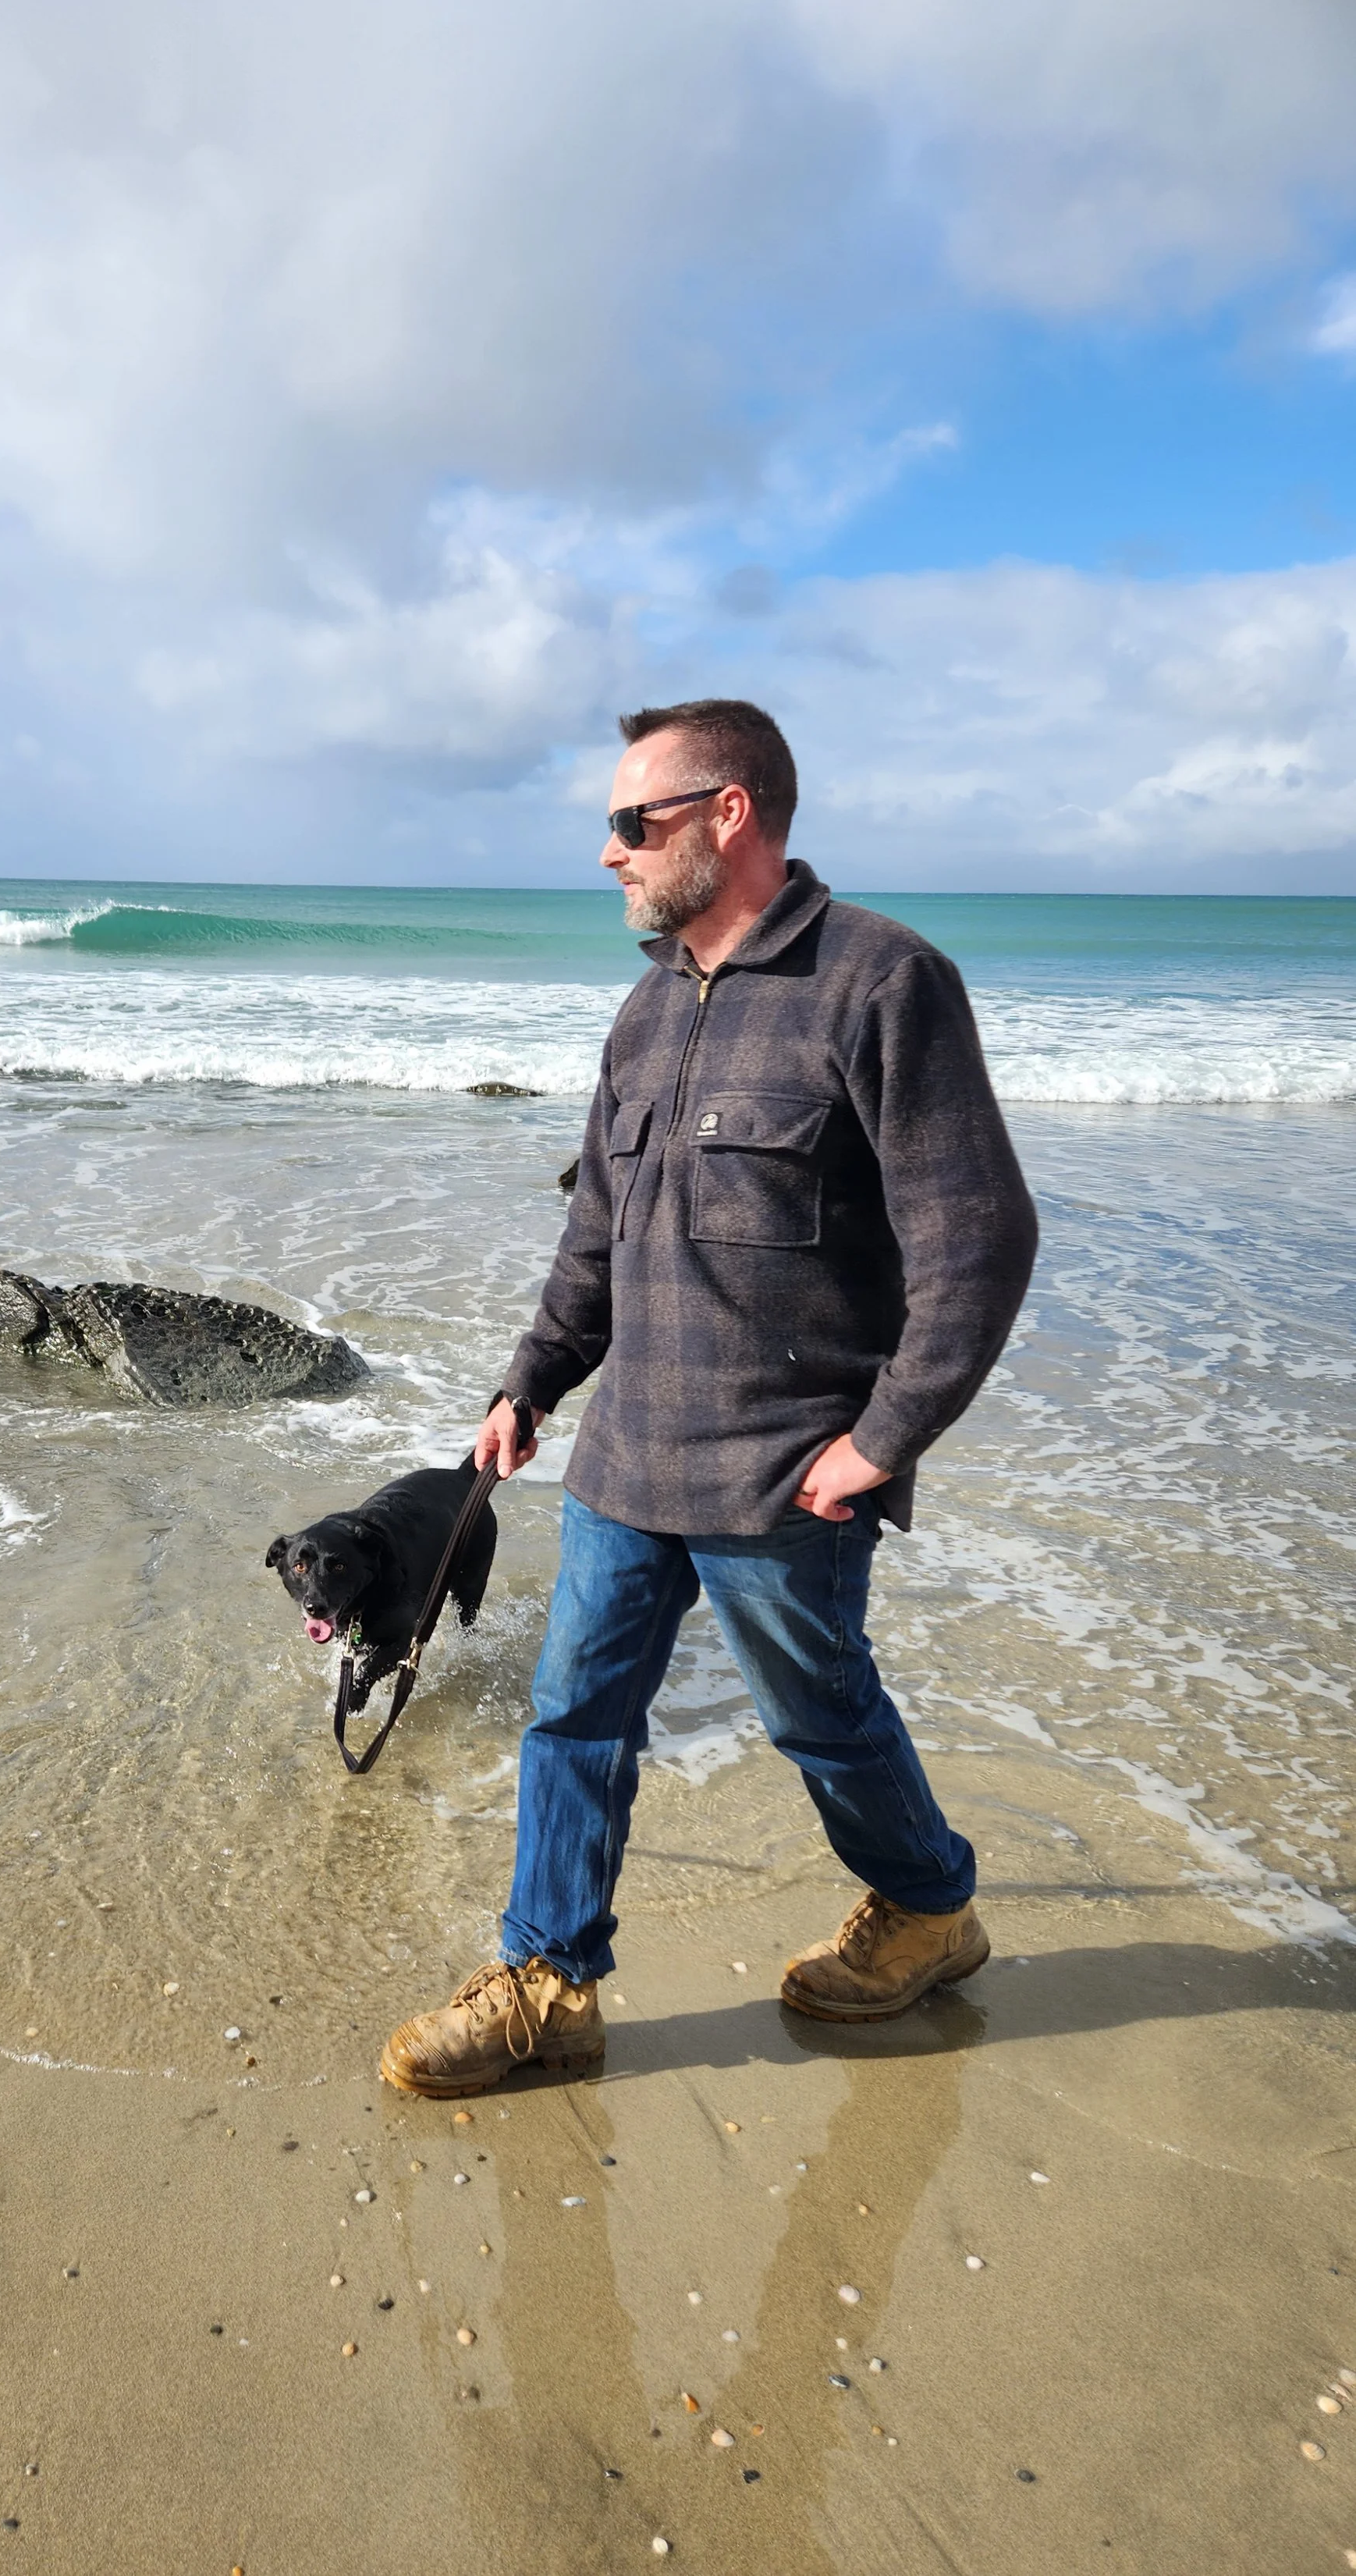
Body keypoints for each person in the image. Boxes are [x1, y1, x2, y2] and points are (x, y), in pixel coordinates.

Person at [380, 699, 1039, 2101]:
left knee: (822, 1716)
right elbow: (598, 1234)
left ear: (726, 814)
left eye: (634, 823)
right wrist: (531, 1382)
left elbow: (978, 1235)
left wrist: (885, 1437)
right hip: (628, 1454)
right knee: (572, 1718)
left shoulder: (881, 981)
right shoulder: (644, 1004)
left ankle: (926, 1906)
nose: (611, 854)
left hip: (784, 1473)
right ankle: (549, 1983)